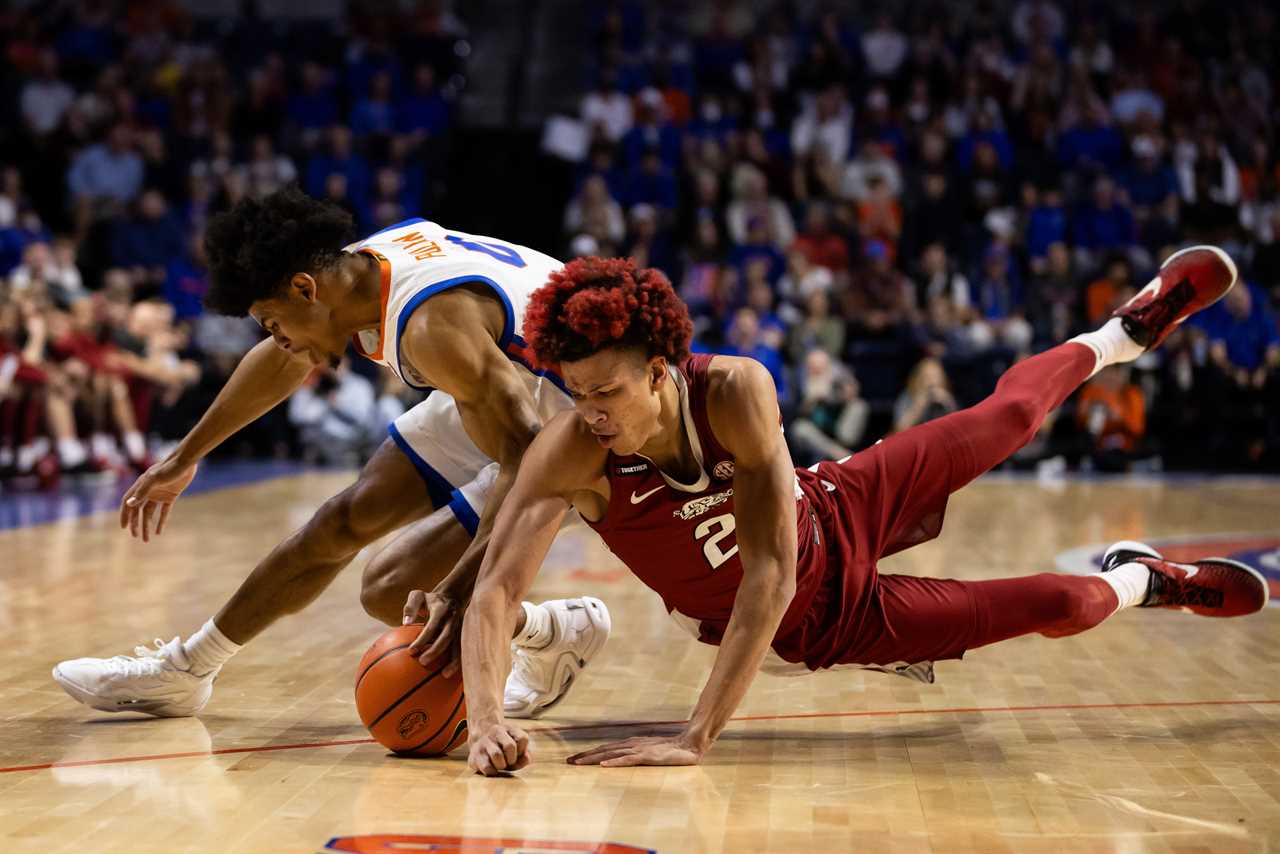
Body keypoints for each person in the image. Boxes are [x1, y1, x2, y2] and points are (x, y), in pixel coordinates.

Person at [439, 247, 1266, 776]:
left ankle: (1124, 332)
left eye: (606, 390)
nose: (590, 411)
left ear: (661, 369)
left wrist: (695, 737)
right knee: (1063, 603)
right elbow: (495, 596)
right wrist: (481, 726)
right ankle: (1145, 581)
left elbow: (769, 566)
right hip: (823, 623)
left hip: (837, 507)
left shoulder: (733, 390)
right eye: (576, 392)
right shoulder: (571, 450)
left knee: (1009, 419)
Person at [52, 187, 610, 720]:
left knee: (395, 590)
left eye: (273, 323)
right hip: (508, 386)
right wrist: (184, 457)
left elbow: (527, 459)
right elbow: (282, 358)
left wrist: (467, 589)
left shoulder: (432, 324)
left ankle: (552, 632)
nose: (279, 338)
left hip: (577, 426)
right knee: (341, 521)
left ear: (303, 289)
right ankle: (187, 671)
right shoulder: (362, 270)